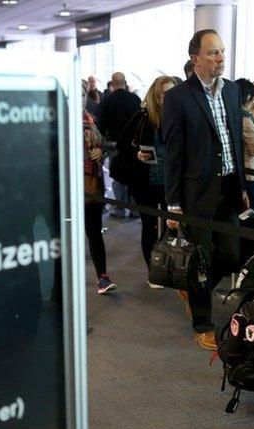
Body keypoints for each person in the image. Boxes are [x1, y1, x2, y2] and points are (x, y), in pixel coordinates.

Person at [163, 29, 247, 351]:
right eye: (213, 53)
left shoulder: (232, 91)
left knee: (232, 252)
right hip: (196, 191)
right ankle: (202, 323)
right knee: (200, 258)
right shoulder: (179, 98)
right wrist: (172, 203)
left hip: (226, 187)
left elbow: (235, 140)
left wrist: (240, 184)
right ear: (195, 58)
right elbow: (174, 153)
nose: (220, 59)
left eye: (222, 52)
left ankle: (192, 288)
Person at [117, 75, 178, 288]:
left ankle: (168, 267)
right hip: (146, 182)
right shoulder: (143, 117)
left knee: (174, 225)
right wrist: (137, 154)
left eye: (172, 93)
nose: (168, 97)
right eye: (164, 94)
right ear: (156, 95)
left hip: (171, 182)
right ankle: (153, 272)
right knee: (149, 226)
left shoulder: (178, 117)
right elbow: (123, 144)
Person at [99, 72, 142, 218]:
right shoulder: (135, 99)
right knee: (133, 176)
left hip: (114, 146)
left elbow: (102, 125)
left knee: (117, 177)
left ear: (112, 83)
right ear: (125, 82)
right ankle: (135, 210)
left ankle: (120, 209)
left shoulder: (106, 101)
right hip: (133, 145)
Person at [82, 107, 116, 294]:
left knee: (94, 232)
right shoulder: (60, 121)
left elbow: (105, 144)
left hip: (92, 185)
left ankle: (102, 277)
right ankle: (59, 286)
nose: (81, 98)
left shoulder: (90, 120)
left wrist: (100, 150)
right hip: (67, 186)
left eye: (84, 93)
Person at [237, 78, 254, 213]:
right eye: (253, 100)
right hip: (250, 171)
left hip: (242, 170)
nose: (253, 104)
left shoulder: (233, 114)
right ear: (247, 97)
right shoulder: (245, 119)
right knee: (252, 211)